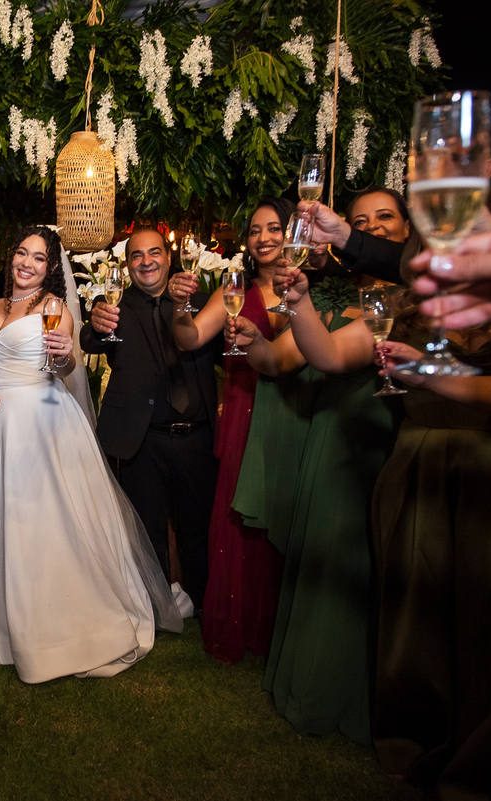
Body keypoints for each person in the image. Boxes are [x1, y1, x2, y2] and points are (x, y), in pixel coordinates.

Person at [0, 226, 185, 684]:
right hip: (2, 427)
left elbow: (65, 365)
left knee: (45, 525)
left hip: (43, 423)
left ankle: (58, 629)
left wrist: (63, 356)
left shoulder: (54, 308)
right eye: (22, 253)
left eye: (39, 258)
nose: (27, 263)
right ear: (12, 257)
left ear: (49, 269)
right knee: (3, 521)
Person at [230, 252, 401, 744]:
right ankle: (324, 686)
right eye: (363, 220)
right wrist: (254, 341)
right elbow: (278, 361)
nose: (373, 228)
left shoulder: (415, 302)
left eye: (384, 219)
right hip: (336, 437)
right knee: (334, 560)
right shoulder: (328, 301)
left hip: (396, 436)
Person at [371, 315, 491, 800]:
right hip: (428, 469)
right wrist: (425, 365)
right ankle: (422, 740)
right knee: (422, 615)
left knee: (490, 628)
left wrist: (427, 374)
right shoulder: (451, 299)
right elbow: (478, 374)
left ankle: (479, 764)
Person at [168, 198, 293, 665]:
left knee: (285, 508)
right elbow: (189, 339)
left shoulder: (308, 291)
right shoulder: (233, 291)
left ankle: (282, 626)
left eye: (274, 228)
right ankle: (242, 621)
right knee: (242, 516)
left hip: (297, 410)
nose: (263, 238)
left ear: (292, 234)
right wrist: (180, 306)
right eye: (255, 230)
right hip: (246, 408)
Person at [80, 228, 218, 617]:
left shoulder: (202, 304)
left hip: (196, 438)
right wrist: (96, 322)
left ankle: (204, 604)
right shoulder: (115, 309)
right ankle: (156, 609)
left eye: (154, 253)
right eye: (137, 256)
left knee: (200, 528)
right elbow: (91, 339)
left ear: (168, 258)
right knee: (146, 531)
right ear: (127, 266)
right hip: (143, 442)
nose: (146, 262)